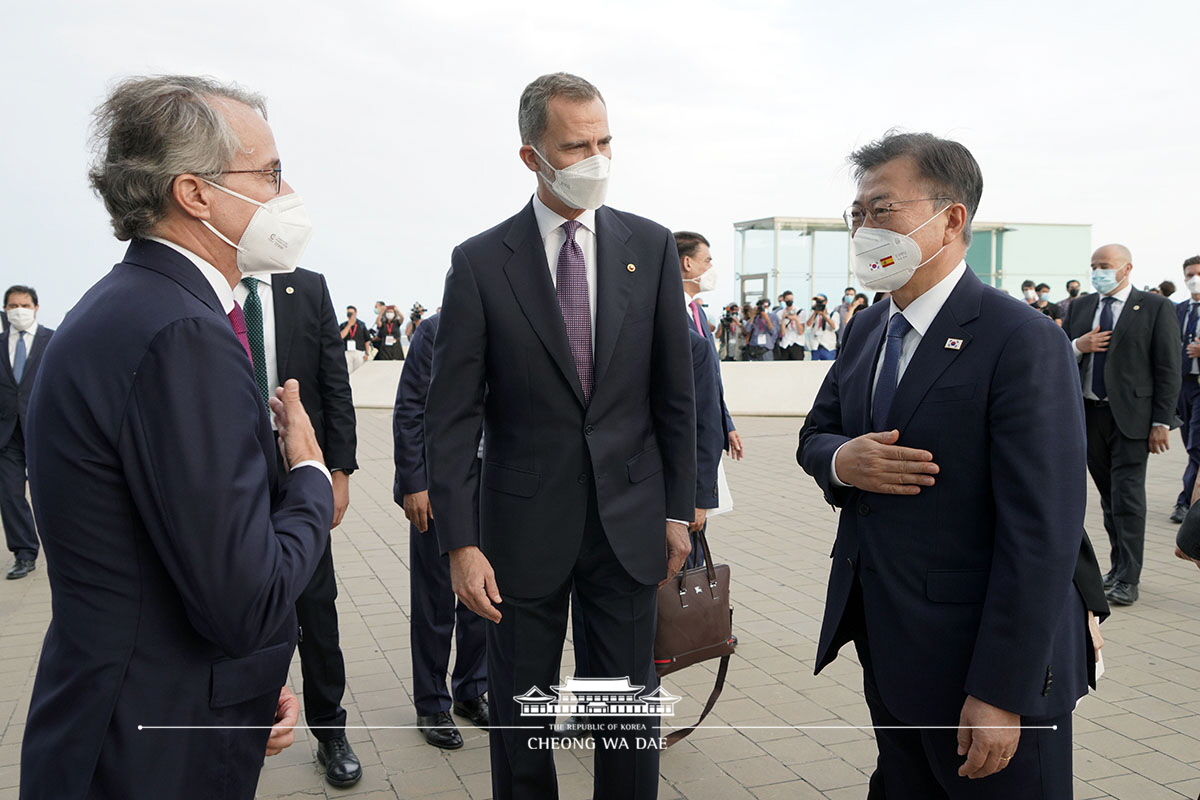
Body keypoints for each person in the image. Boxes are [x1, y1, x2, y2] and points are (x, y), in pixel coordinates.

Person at [21, 74, 333, 800]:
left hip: (140, 712)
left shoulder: (126, 305)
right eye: (272, 172)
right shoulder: (183, 332)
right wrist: (311, 475)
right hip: (149, 746)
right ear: (194, 194)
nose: (287, 193)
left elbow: (176, 555)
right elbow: (244, 598)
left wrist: (249, 688)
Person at [797, 131, 1093, 798]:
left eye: (882, 210)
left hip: (981, 664)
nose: (864, 229)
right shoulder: (868, 328)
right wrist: (844, 460)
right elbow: (817, 435)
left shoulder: (1022, 339)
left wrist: (1000, 692)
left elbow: (1042, 531)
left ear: (950, 218)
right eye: (858, 214)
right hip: (889, 639)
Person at [424, 72, 695, 800]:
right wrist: (460, 542)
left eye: (605, 140)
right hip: (519, 531)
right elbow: (450, 414)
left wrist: (680, 509)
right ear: (531, 157)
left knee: (624, 717)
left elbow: (676, 394)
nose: (596, 158)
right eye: (577, 146)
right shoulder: (481, 263)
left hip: (629, 524)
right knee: (522, 718)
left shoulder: (651, 245)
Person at [234, 267, 362, 787]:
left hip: (298, 468)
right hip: (230, 472)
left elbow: (334, 383)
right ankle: (240, 726)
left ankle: (330, 730)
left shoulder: (305, 287)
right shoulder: (209, 283)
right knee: (234, 598)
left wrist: (340, 472)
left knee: (315, 605)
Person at [1064, 244, 1181, 606]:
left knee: (1128, 498)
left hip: (1132, 419)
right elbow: (1057, 356)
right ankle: (1116, 569)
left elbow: (1168, 367)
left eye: (1105, 266)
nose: (1098, 271)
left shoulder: (1154, 306)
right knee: (1109, 499)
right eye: (1094, 265)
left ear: (1126, 268)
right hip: (1089, 415)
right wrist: (1078, 345)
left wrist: (1161, 421)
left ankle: (1128, 578)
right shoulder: (1082, 306)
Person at [393, 312, 488, 750]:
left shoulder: (514, 323)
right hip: (441, 487)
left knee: (486, 597)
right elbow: (410, 408)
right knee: (435, 598)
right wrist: (415, 483)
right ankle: (432, 702)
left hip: (500, 487)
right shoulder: (435, 330)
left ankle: (472, 690)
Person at [0, 286, 52, 579]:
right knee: (9, 495)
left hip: (43, 429)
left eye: (23, 304)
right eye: (12, 306)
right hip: (7, 435)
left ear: (35, 307)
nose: (18, 310)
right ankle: (24, 552)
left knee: (57, 491)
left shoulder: (53, 340)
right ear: (5, 310)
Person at [1172, 256, 1200, 524]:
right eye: (1190, 274)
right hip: (1183, 386)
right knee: (1189, 442)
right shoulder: (1179, 310)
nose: (1194, 278)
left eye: (1199, 273)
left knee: (1196, 446)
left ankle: (1186, 502)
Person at [804, 293, 839, 360]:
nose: (819, 303)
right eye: (817, 302)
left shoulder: (833, 313)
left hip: (828, 346)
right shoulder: (813, 313)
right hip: (815, 345)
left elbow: (834, 327)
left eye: (820, 302)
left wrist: (824, 315)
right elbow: (808, 326)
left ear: (825, 302)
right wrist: (815, 313)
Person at [777, 290, 806, 360]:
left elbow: (801, 331)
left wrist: (795, 319)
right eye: (787, 299)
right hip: (785, 343)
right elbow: (782, 332)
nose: (789, 301)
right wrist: (783, 319)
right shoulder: (780, 313)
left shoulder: (800, 311)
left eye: (791, 299)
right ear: (784, 300)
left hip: (797, 342)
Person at [339, 306, 369, 373]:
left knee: (359, 371)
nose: (349, 315)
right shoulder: (343, 325)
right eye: (348, 313)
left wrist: (367, 353)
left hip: (359, 351)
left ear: (355, 313)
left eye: (351, 313)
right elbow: (341, 336)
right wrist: (349, 325)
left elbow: (367, 340)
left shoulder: (361, 325)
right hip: (347, 352)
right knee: (347, 371)